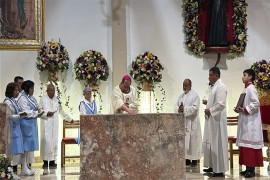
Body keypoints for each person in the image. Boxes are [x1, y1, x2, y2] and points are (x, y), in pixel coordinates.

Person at [234, 69, 264, 178]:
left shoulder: (251, 89)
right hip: (246, 120)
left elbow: (256, 103)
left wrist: (245, 109)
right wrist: (239, 109)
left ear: (250, 77)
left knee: (250, 145)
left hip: (251, 122)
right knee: (245, 145)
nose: (243, 77)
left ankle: (251, 169)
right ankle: (247, 168)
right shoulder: (245, 89)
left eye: (245, 75)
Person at [202, 67, 228, 177]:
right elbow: (216, 101)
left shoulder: (221, 86)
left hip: (217, 121)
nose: (209, 77)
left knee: (217, 143)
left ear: (216, 75)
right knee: (212, 142)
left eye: (210, 75)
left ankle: (219, 169)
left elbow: (221, 104)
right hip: (212, 120)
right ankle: (213, 166)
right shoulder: (215, 86)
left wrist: (210, 110)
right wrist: (208, 104)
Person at [39, 84, 73, 168]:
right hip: (46, 123)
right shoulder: (43, 99)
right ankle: (45, 161)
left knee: (54, 141)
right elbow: (39, 110)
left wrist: (69, 118)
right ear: (47, 91)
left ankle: (53, 160)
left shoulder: (56, 99)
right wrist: (47, 113)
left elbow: (61, 110)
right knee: (47, 142)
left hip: (54, 124)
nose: (52, 92)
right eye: (50, 90)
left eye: (53, 90)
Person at [17, 80, 43, 176]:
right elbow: (26, 111)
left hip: (31, 124)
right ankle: (23, 167)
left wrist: (39, 110)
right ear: (27, 88)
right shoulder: (21, 97)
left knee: (29, 148)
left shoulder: (31, 97)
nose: (33, 90)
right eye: (32, 88)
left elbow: (37, 106)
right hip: (25, 125)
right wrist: (37, 112)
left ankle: (26, 166)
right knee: (25, 147)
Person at [174, 79, 202, 167]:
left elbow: (195, 108)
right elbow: (176, 106)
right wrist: (178, 110)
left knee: (193, 141)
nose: (184, 87)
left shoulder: (195, 95)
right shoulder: (181, 96)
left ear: (190, 85)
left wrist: (184, 110)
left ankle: (194, 159)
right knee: (185, 140)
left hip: (192, 121)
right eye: (183, 85)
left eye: (186, 85)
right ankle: (186, 158)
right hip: (184, 122)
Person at [3, 82, 27, 179]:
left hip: (17, 127)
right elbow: (8, 116)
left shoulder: (14, 100)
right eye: (16, 90)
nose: (18, 92)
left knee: (17, 151)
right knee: (11, 151)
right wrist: (19, 115)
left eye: (18, 90)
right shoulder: (7, 102)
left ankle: (13, 171)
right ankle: (10, 172)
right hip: (11, 129)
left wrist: (22, 113)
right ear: (11, 91)